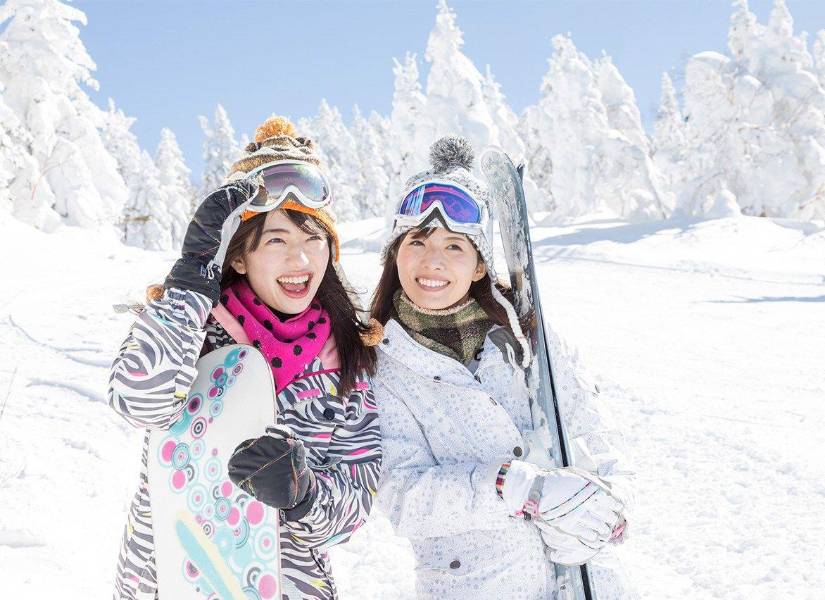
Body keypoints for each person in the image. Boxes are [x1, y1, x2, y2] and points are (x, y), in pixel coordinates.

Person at [108, 116, 382, 600]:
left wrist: (304, 496)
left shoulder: (346, 359)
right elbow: (138, 400)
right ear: (239, 256)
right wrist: (189, 286)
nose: (300, 260)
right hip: (166, 582)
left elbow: (356, 501)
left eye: (312, 239)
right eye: (277, 240)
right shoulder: (195, 331)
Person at [370, 136, 633, 599]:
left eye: (455, 246)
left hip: (583, 579)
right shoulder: (382, 366)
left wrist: (609, 505)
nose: (433, 261)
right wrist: (511, 486)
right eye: (417, 241)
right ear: (396, 253)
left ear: (478, 267)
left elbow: (592, 430)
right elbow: (402, 498)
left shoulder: (529, 341)